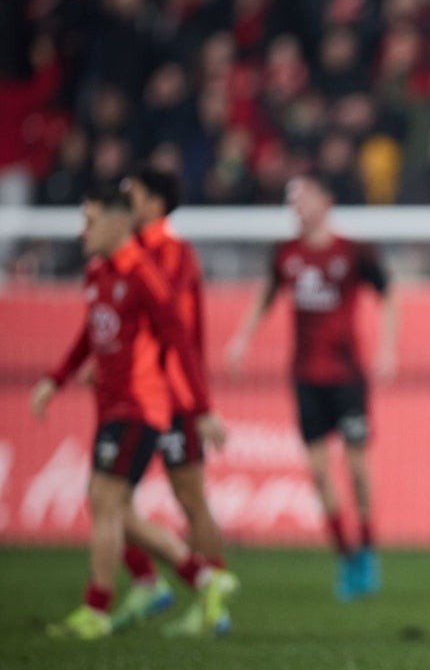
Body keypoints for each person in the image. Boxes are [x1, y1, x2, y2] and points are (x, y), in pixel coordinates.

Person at [30, 185, 235, 639]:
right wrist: (57, 377)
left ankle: (98, 608)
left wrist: (201, 408)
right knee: (116, 508)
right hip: (110, 404)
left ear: (118, 223)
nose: (82, 230)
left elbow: (179, 339)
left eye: (90, 220)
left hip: (141, 406)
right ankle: (202, 578)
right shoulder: (98, 272)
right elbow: (92, 333)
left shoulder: (145, 274)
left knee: (107, 501)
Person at [226, 174, 396, 601]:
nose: (296, 206)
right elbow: (266, 293)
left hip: (348, 376)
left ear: (325, 199)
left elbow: (388, 292)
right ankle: (345, 556)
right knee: (320, 473)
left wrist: (388, 349)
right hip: (305, 376)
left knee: (356, 468)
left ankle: (368, 547)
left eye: (302, 197)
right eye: (291, 199)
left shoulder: (352, 251)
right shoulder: (286, 254)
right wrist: (242, 338)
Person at [105, 164, 234, 635]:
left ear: (154, 202)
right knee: (109, 496)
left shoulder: (173, 254)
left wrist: (197, 407)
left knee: (187, 497)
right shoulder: (128, 253)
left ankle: (211, 599)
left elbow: (175, 334)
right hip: (137, 396)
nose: (125, 201)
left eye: (132, 193)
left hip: (172, 397)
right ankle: (150, 580)